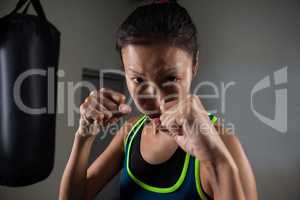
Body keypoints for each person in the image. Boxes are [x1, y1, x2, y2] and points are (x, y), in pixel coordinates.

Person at [59, 1, 258, 199]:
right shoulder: (130, 131)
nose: (154, 98)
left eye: (170, 78)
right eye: (138, 79)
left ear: (194, 65)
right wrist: (83, 136)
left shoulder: (224, 144)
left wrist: (217, 162)